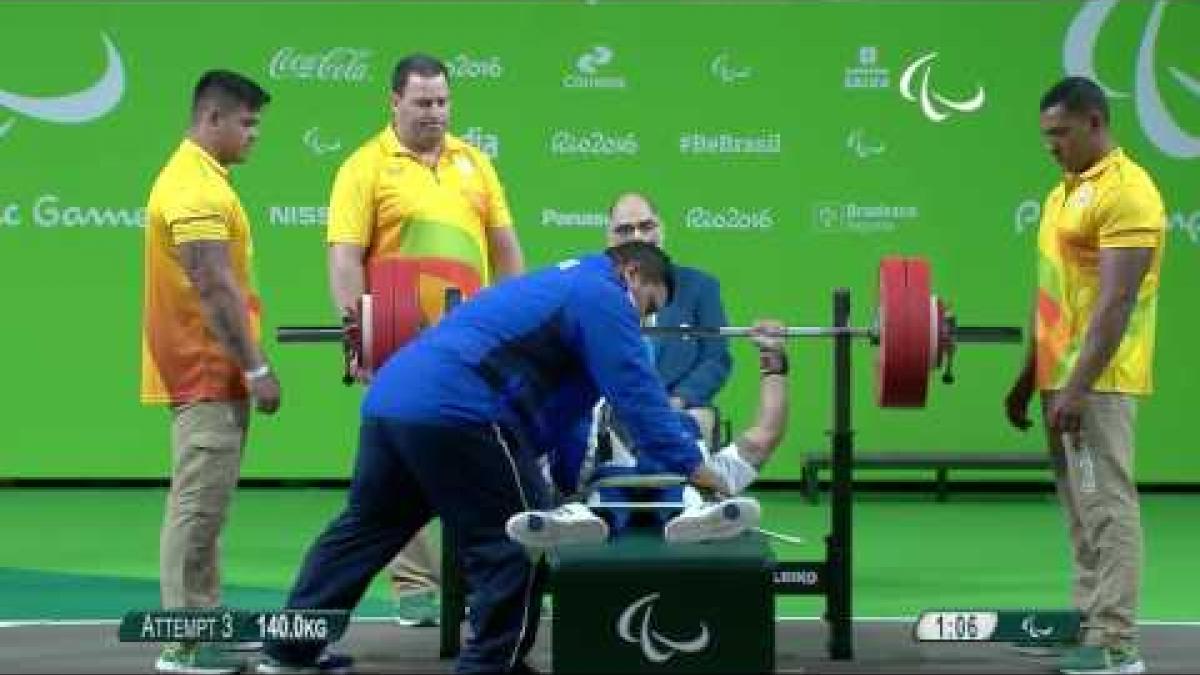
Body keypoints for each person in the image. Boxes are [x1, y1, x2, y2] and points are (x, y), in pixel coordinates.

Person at [258, 242, 751, 674]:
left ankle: (289, 649)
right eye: (647, 306)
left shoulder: (557, 285)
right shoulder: (601, 294)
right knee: (518, 537)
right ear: (632, 275)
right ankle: (493, 665)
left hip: (393, 402)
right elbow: (636, 395)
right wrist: (698, 468)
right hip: (458, 411)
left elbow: (567, 415)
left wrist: (561, 483)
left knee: (365, 529)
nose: (642, 320)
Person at [325, 52, 525, 627]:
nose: (435, 113)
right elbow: (344, 255)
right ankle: (413, 585)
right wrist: (358, 329)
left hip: (471, 332)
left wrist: (517, 325)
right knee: (401, 464)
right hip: (393, 320)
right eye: (422, 103)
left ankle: (473, 585)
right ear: (394, 101)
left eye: (442, 101)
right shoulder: (364, 166)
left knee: (473, 452)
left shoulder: (475, 162)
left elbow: (505, 245)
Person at [1004, 76, 1166, 675]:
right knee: (1081, 509)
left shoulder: (1130, 193)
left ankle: (1118, 645)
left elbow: (1116, 303)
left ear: (1096, 122)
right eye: (1046, 136)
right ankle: (1088, 626)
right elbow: (1052, 297)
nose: (1052, 145)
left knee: (1109, 508)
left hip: (1098, 382)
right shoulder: (1062, 194)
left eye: (1061, 134)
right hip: (1060, 378)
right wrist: (1030, 376)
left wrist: (1075, 387)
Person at [140, 70, 279, 675]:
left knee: (207, 507)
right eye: (246, 123)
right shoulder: (194, 188)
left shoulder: (204, 179)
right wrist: (257, 366)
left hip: (212, 370)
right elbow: (214, 284)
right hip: (205, 368)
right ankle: (185, 642)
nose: (254, 135)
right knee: (197, 506)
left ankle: (204, 626)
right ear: (212, 119)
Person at [506, 319, 789, 547]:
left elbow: (764, 436)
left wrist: (773, 359)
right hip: (591, 499)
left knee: (688, 468)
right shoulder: (572, 424)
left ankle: (695, 513)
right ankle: (577, 519)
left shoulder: (687, 434)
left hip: (687, 495)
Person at [607, 192, 732, 442]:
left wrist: (677, 401)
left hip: (682, 408)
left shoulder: (700, 286)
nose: (638, 237)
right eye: (625, 230)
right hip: (613, 411)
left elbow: (716, 359)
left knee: (694, 423)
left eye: (646, 226)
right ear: (609, 240)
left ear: (662, 229)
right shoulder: (596, 292)